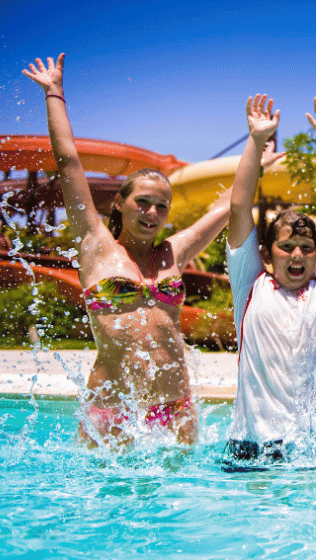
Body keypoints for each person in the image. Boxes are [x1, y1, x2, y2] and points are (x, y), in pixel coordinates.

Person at [22, 54, 234, 447]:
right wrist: (55, 94)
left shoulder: (174, 251)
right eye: (143, 202)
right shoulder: (96, 245)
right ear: (119, 203)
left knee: (174, 506)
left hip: (175, 408)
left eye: (162, 206)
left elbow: (227, 206)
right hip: (112, 407)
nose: (152, 212)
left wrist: (256, 145)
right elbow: (68, 163)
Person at [225, 93, 316, 464]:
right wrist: (255, 141)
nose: (297, 254)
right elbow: (238, 206)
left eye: (306, 247)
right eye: (286, 247)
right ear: (265, 254)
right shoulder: (249, 285)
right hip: (252, 447)